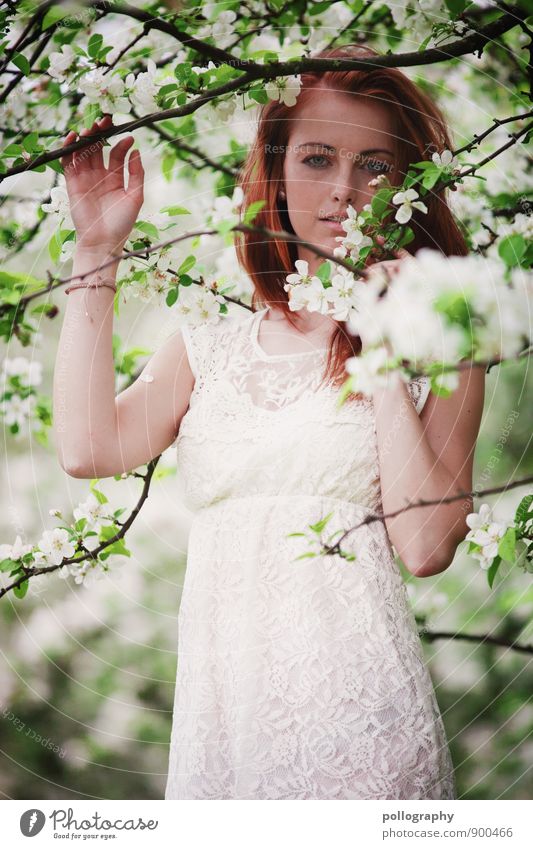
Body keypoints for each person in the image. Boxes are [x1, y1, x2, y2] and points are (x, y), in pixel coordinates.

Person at [55, 43, 485, 800]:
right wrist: (98, 250)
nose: (345, 190)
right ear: (276, 169)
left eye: (375, 166)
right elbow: (88, 448)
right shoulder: (211, 342)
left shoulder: (446, 342)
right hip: (224, 735)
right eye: (317, 158)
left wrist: (380, 347)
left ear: (406, 182)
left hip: (362, 738)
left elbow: (424, 545)